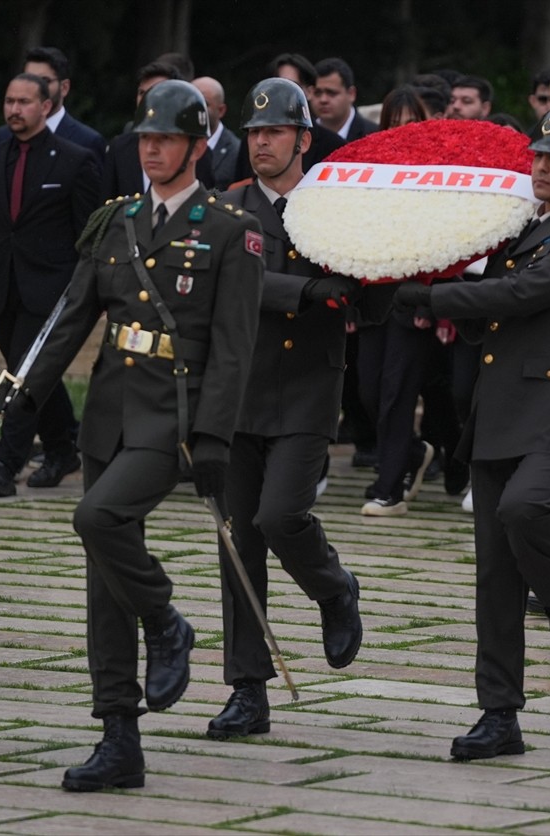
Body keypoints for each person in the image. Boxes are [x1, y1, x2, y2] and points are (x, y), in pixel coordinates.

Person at [7, 79, 263, 790]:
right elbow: (74, 316)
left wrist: (213, 437)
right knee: (103, 574)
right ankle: (119, 737)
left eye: (166, 139)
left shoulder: (227, 227)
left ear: (197, 145)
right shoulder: (116, 219)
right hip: (111, 410)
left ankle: (169, 621)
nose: (151, 150)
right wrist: (26, 390)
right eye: (144, 139)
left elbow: (236, 348)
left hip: (173, 418)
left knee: (98, 517)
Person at [391, 104, 550, 759]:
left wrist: (431, 299)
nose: (543, 167)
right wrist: (425, 289)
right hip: (499, 407)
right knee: (495, 573)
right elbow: (492, 306)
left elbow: (530, 295)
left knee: (527, 509)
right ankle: (500, 714)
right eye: (539, 156)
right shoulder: (520, 227)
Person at [207, 78, 367, 740]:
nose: (262, 142)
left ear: (304, 139)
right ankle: (248, 690)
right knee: (237, 544)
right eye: (254, 132)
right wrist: (307, 290)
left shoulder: (333, 206)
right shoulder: (229, 204)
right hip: (238, 391)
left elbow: (366, 291)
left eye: (275, 132)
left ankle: (334, 589)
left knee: (281, 516)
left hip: (306, 387)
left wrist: (362, 283)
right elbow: (226, 279)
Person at [0, 73, 99, 497]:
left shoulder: (74, 160)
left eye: (24, 102)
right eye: (9, 101)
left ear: (46, 107)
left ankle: (5, 464)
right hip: (5, 287)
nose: (14, 110)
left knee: (23, 375)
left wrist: (84, 292)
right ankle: (64, 450)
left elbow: (89, 235)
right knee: (35, 373)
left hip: (51, 291)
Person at [357, 87, 438, 516]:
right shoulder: (368, 168)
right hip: (372, 291)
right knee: (369, 391)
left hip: (413, 293)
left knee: (397, 393)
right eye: (394, 121)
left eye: (411, 121)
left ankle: (389, 489)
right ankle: (408, 452)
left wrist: (429, 300)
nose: (402, 130)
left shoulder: (440, 173)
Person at [102, 62, 215, 200]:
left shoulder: (197, 150)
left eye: (165, 138)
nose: (150, 148)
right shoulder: (119, 147)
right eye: (142, 92)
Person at [0, 46, 105, 167]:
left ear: (64, 87)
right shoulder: (5, 134)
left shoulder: (87, 141)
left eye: (45, 81)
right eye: (29, 80)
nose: (35, 88)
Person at [313, 57, 379, 142]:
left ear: (351, 94)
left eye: (331, 93)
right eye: (317, 93)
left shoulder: (373, 136)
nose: (323, 100)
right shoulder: (303, 135)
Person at [192, 76, 241, 190]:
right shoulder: (178, 147)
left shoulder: (236, 152)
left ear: (221, 110)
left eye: (204, 103)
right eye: (190, 101)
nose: (195, 108)